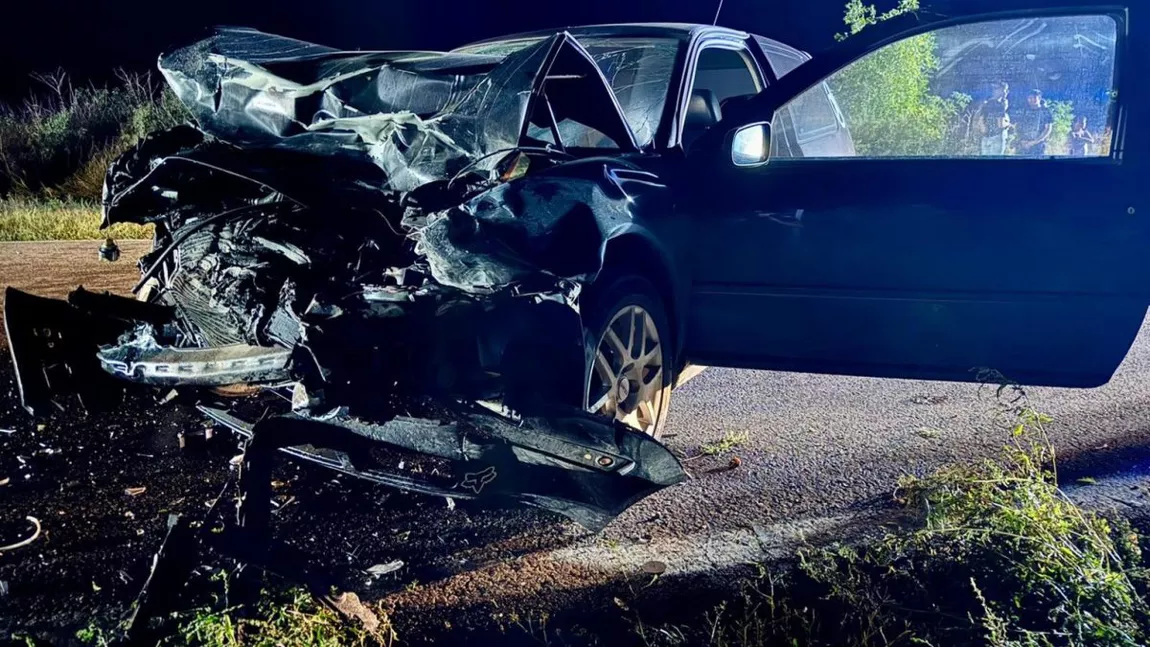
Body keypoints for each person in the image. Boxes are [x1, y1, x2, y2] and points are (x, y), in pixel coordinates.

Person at [1014, 89, 1054, 157]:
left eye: (1034, 97)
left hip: (1038, 145)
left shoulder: (1045, 111)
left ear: (1039, 98)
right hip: (1023, 144)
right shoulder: (1024, 111)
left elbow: (1048, 129)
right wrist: (1021, 140)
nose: (1032, 100)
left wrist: (1034, 142)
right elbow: (1018, 125)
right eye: (1030, 98)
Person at [975, 81, 1011, 155]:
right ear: (1001, 90)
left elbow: (980, 121)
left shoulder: (986, 103)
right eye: (1005, 90)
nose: (1007, 92)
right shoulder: (999, 105)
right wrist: (1009, 124)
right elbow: (1000, 125)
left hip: (985, 138)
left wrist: (984, 131)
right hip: (996, 137)